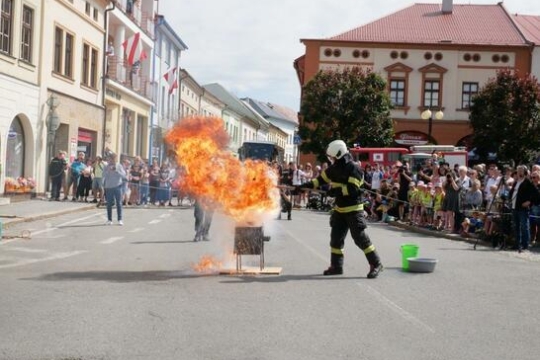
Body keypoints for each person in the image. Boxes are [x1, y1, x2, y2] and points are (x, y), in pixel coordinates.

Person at [296, 139, 383, 278]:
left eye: (332, 156)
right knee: (335, 239)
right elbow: (319, 180)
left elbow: (353, 189)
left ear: (339, 154)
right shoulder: (334, 167)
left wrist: (335, 192)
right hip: (340, 209)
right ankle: (336, 266)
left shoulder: (354, 168)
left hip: (354, 209)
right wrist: (302, 187)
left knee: (360, 239)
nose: (330, 159)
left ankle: (376, 264)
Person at [508, 165, 539, 252]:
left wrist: (530, 202)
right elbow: (512, 193)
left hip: (522, 208)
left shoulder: (528, 182)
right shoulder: (516, 182)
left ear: (525, 172)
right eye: (518, 171)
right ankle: (517, 244)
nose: (519, 172)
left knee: (524, 226)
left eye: (521, 170)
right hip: (514, 207)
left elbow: (536, 194)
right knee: (516, 226)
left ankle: (525, 245)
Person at [102, 153, 127, 225]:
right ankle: (109, 220)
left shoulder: (119, 166)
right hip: (109, 187)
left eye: (114, 159)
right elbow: (103, 175)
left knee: (119, 203)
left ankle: (120, 219)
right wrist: (108, 171)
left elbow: (124, 176)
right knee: (109, 204)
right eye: (111, 158)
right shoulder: (106, 166)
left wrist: (116, 171)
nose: (112, 160)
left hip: (117, 187)